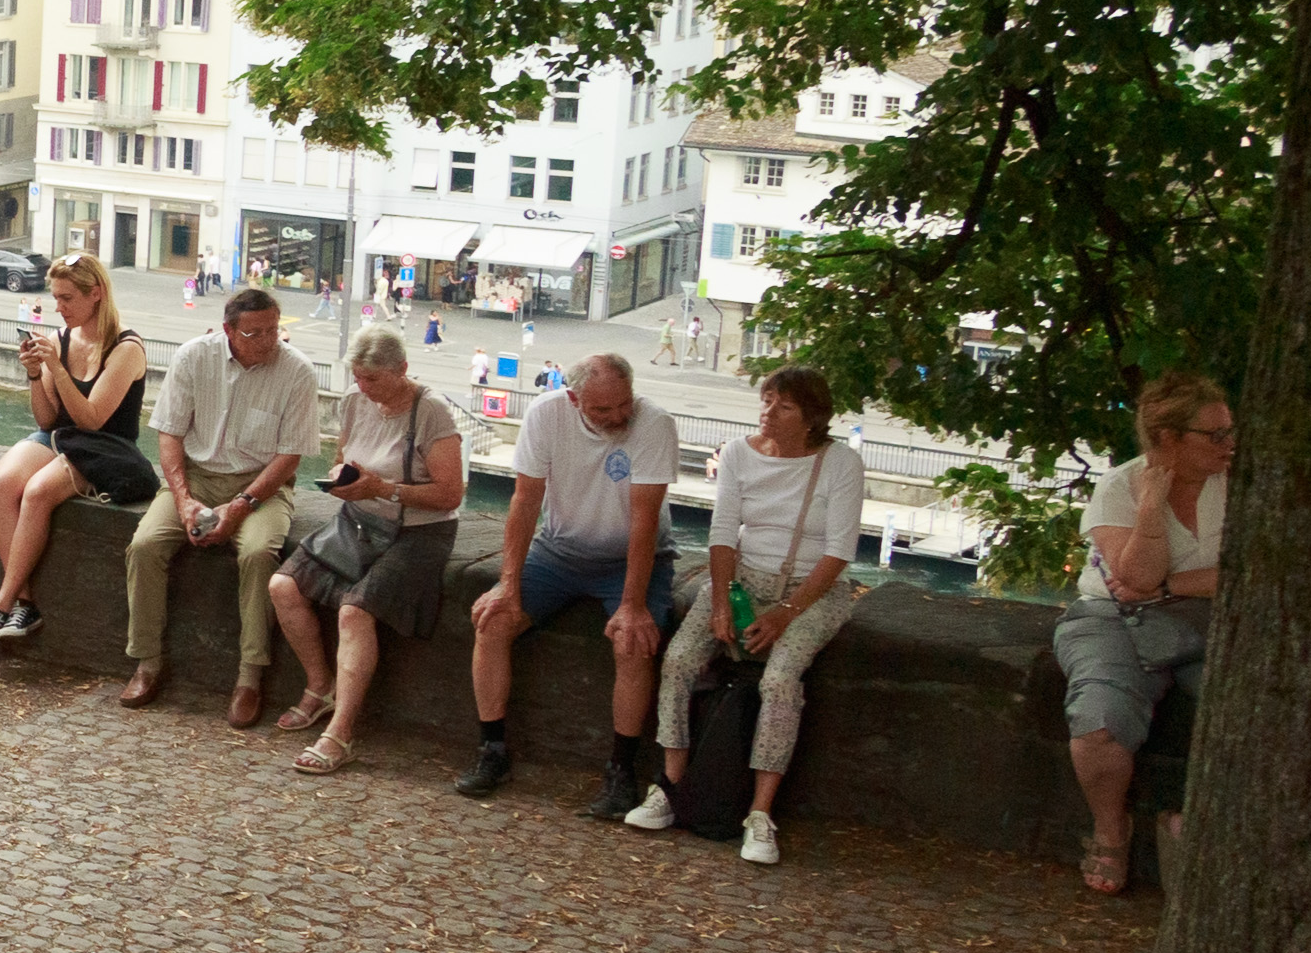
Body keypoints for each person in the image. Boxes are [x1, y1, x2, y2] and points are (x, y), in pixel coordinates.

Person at [626, 363, 866, 865]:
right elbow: (722, 532)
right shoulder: (738, 453)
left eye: (785, 405)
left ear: (812, 417)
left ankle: (760, 813)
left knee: (779, 680)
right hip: (743, 580)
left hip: (810, 590)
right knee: (679, 660)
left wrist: (784, 613)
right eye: (767, 399)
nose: (769, 411)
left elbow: (840, 550)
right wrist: (719, 601)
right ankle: (671, 786)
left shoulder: (839, 462)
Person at [460, 352, 681, 815]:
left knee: (632, 642)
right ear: (574, 397)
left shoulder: (654, 424)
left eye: (624, 404)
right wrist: (507, 582)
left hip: (633, 557)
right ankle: (493, 750)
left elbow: (644, 521)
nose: (618, 417)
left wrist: (633, 603)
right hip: (559, 551)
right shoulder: (546, 415)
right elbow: (523, 503)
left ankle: (621, 770)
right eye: (603, 410)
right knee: (493, 624)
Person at [1052, 370, 1229, 896]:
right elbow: (1135, 580)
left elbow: (1253, 573)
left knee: (1247, 712)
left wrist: (1175, 583)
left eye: (1230, 431)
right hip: (1112, 619)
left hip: (1206, 618)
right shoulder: (1120, 488)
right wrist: (1153, 503)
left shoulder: (1240, 483)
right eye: (1215, 435)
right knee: (1099, 722)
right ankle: (1111, 830)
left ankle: (1194, 823)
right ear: (1169, 439)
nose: (1229, 445)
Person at [270, 326, 467, 777]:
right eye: (358, 377)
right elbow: (342, 456)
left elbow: (450, 493)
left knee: (354, 612)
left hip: (419, 531)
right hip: (360, 520)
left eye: (374, 379)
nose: (364, 387)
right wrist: (345, 477)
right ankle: (321, 687)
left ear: (402, 370)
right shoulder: (355, 401)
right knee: (283, 584)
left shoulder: (430, 410)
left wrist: (383, 489)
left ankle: (340, 733)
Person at [119, 288, 321, 723]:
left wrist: (243, 504)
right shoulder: (194, 357)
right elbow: (170, 433)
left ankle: (250, 676)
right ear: (229, 330)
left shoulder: (297, 371)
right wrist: (183, 498)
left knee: (258, 554)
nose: (269, 341)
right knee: (145, 544)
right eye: (255, 333)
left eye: (274, 330)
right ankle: (147, 662)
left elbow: (291, 456)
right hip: (195, 477)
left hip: (262, 484)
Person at [0, 254, 147, 655]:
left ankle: (0, 605)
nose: (58, 307)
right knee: (0, 483)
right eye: (56, 298)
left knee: (36, 493)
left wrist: (58, 369)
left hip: (105, 447)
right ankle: (25, 603)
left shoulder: (126, 348)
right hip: (62, 437)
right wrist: (35, 374)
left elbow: (92, 419)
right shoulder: (60, 340)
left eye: (67, 298)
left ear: (96, 294)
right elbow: (48, 419)